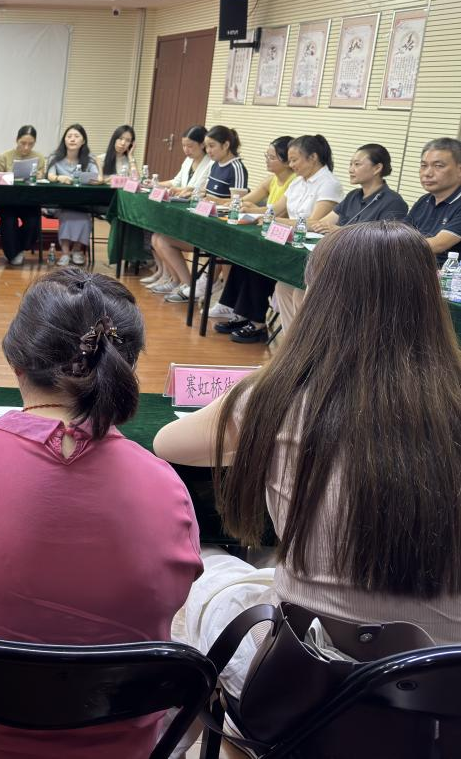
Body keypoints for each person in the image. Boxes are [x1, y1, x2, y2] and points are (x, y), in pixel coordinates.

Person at [0, 268, 201, 758]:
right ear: (124, 367)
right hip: (115, 747)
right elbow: (163, 608)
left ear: (17, 361)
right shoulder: (169, 487)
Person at [157, 221, 461, 702]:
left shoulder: (275, 393)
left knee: (208, 563)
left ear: (318, 297)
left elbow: (168, 443)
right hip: (441, 693)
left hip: (304, 685)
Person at [205, 136, 295, 342]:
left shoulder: (294, 182)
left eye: (272, 157)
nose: (266, 160)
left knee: (257, 263)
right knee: (242, 257)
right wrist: (229, 203)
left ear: (286, 161)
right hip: (267, 235)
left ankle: (257, 322)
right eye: (266, 155)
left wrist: (254, 209)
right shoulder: (271, 179)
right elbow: (244, 200)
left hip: (282, 243)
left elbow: (277, 212)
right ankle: (236, 311)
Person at [150, 126, 246, 303]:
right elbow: (205, 193)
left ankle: (221, 297)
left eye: (211, 146)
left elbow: (237, 204)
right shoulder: (215, 165)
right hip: (204, 226)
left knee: (222, 252)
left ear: (226, 145)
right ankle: (187, 284)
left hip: (220, 232)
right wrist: (197, 194)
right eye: (207, 146)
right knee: (159, 238)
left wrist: (209, 198)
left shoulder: (236, 167)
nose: (208, 150)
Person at [267, 135, 344, 333]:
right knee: (282, 287)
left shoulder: (329, 183)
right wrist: (254, 211)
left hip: (312, 250)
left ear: (313, 157)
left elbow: (314, 224)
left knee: (298, 293)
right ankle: (290, 339)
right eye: (289, 160)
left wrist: (276, 221)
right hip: (292, 244)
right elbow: (274, 210)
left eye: (294, 160)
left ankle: (302, 340)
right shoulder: (297, 182)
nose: (291, 165)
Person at [142, 126, 211, 290]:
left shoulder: (210, 164)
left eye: (190, 146)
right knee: (156, 236)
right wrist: (156, 184)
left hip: (195, 217)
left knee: (162, 238)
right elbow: (176, 182)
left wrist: (179, 190)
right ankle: (173, 279)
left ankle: (185, 283)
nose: (186, 150)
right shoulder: (188, 161)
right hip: (180, 211)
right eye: (184, 146)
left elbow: (199, 190)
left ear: (202, 144)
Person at [314, 144, 408, 233]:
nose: (350, 170)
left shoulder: (394, 202)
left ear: (377, 168)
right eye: (350, 164)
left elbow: (385, 240)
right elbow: (322, 224)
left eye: (357, 164)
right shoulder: (352, 196)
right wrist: (306, 224)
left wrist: (340, 231)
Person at [45, 123, 100, 266]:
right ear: (64, 140)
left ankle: (76, 250)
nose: (72, 139)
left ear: (83, 141)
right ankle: (65, 253)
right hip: (60, 203)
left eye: (76, 136)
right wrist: (59, 178)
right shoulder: (55, 157)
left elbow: (97, 178)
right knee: (68, 216)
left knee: (84, 218)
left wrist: (97, 166)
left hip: (82, 204)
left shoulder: (89, 160)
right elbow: (50, 175)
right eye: (69, 136)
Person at [405, 137, 461, 262]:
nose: (427, 173)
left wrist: (392, 246)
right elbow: (401, 232)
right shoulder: (424, 200)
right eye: (423, 166)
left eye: (438, 166)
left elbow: (438, 244)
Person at [0, 125, 42, 265]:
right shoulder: (6, 156)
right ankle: (13, 254)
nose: (26, 147)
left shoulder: (39, 158)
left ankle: (18, 248)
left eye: (30, 144)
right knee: (9, 221)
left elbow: (41, 182)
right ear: (17, 140)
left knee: (33, 221)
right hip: (7, 201)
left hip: (28, 201)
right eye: (23, 143)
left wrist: (39, 176)